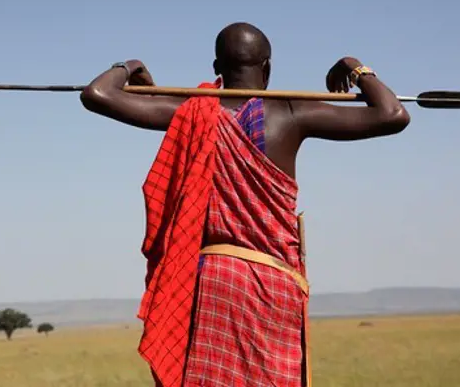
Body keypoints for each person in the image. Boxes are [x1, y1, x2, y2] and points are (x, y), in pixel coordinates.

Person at [80, 22, 410, 387]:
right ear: (267, 69)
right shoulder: (291, 111)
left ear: (216, 68)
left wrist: (131, 66)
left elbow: (97, 93)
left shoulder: (190, 111)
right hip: (272, 281)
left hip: (206, 280)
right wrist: (354, 67)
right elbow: (393, 114)